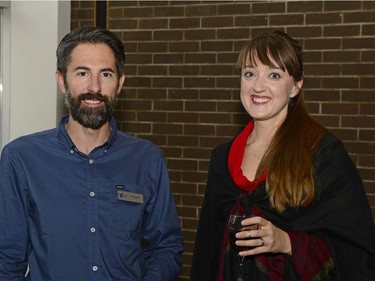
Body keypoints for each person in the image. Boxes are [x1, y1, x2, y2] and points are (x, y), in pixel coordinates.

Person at [0, 26, 183, 281]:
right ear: (62, 81)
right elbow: (7, 260)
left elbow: (167, 248)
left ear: (119, 83)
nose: (94, 87)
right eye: (82, 73)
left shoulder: (147, 159)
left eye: (105, 74)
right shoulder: (21, 158)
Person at [190, 30, 375, 281]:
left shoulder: (322, 154)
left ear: (295, 86)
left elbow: (359, 254)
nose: (257, 86)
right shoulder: (222, 159)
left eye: (274, 75)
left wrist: (286, 242)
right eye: (249, 73)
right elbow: (206, 252)